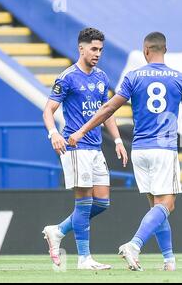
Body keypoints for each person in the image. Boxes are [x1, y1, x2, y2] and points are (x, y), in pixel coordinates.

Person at [68, 31, 182, 271]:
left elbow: (108, 108)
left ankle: (169, 261)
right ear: (165, 50)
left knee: (156, 207)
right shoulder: (179, 78)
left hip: (139, 149)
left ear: (145, 50)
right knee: (167, 205)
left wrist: (82, 130)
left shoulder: (133, 77)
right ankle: (134, 245)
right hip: (164, 148)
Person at [42, 27, 128, 270]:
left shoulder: (101, 77)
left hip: (96, 148)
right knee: (84, 203)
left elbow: (107, 112)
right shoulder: (67, 77)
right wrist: (54, 133)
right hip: (76, 146)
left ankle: (58, 231)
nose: (98, 53)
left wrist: (119, 141)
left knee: (102, 203)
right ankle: (84, 259)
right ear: (81, 48)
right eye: (93, 48)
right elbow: (48, 110)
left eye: (100, 49)